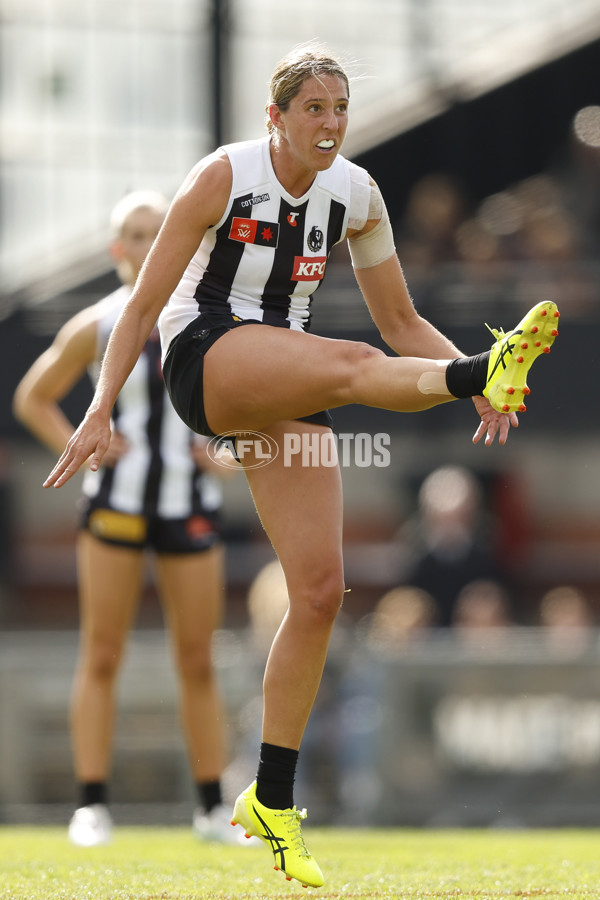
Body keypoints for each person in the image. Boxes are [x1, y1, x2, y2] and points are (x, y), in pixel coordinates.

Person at [42, 43, 559, 887]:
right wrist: (99, 408)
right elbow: (140, 305)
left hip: (286, 377)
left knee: (320, 591)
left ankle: (269, 802)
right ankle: (483, 367)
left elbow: (401, 321)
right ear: (274, 118)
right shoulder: (221, 177)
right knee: (346, 364)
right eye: (312, 109)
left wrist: (472, 389)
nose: (330, 124)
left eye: (340, 109)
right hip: (205, 358)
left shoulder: (358, 195)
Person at [13, 191, 247, 848]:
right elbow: (32, 398)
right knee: (103, 651)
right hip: (115, 506)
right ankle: (91, 805)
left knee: (198, 658)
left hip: (188, 506)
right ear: (118, 250)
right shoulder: (96, 323)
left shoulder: (206, 318)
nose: (147, 245)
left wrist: (225, 449)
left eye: (157, 232)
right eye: (135, 235)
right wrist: (81, 440)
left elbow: (244, 402)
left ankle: (208, 808)